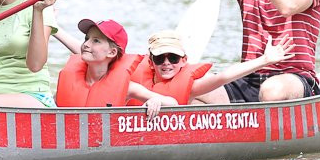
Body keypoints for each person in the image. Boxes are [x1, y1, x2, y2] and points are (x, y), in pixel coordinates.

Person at [125, 30, 295, 116]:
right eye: (160, 58)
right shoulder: (135, 81)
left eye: (174, 58)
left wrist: (264, 60)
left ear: (184, 60)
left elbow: (224, 77)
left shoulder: (192, 85)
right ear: (150, 62)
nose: (167, 63)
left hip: (239, 95)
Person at [54, 19, 141, 107]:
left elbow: (154, 98)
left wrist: (154, 101)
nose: (86, 44)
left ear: (112, 52)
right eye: (86, 39)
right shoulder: (69, 85)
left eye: (96, 41)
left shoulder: (127, 88)